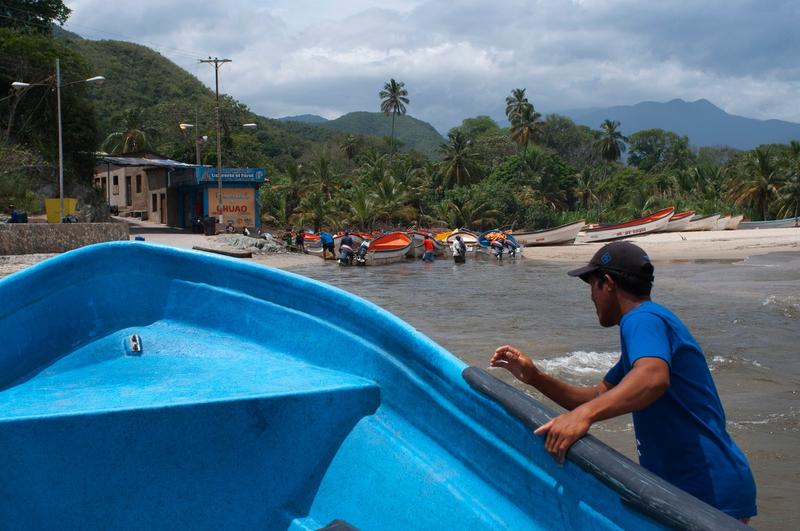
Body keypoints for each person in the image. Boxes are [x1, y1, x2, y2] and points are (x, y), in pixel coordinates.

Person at [490, 241, 756, 523]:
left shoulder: (643, 318)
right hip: (687, 485)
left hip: (708, 491)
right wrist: (536, 378)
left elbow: (653, 378)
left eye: (591, 286)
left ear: (607, 284)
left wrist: (583, 416)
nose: (591, 297)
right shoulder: (649, 327)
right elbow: (597, 395)